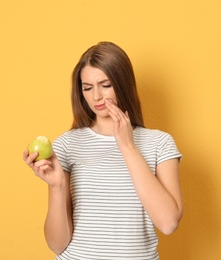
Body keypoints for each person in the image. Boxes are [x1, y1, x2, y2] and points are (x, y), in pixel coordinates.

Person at [23, 41, 183, 260]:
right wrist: (58, 185)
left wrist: (127, 146)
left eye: (105, 85)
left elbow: (168, 223)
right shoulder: (67, 145)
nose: (96, 96)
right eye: (87, 87)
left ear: (123, 84)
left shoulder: (159, 143)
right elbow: (57, 245)